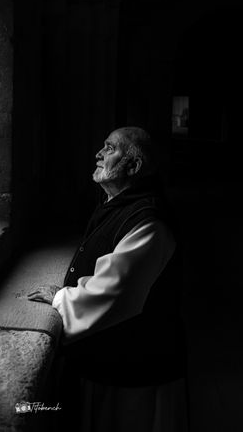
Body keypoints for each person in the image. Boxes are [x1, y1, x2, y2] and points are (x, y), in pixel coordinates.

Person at [28, 126, 187, 432]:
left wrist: (60, 297)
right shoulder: (119, 206)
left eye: (110, 148)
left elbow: (113, 293)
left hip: (135, 373)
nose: (98, 154)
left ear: (134, 166)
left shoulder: (148, 222)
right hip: (111, 366)